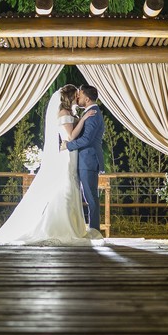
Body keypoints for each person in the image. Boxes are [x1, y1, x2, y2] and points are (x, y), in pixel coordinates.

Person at [0, 85, 104, 246]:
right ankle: (63, 227)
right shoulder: (65, 114)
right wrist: (82, 120)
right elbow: (71, 137)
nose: (78, 98)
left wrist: (81, 120)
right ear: (71, 97)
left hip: (73, 155)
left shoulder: (75, 113)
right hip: (67, 155)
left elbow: (79, 136)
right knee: (66, 190)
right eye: (76, 95)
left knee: (73, 190)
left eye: (80, 95)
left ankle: (75, 227)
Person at [62, 85, 106, 234]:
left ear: (87, 99)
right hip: (85, 159)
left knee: (91, 197)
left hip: (88, 160)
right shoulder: (90, 113)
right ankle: (91, 229)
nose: (78, 98)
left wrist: (68, 146)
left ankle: (94, 230)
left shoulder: (93, 114)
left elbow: (87, 139)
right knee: (89, 196)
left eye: (79, 95)